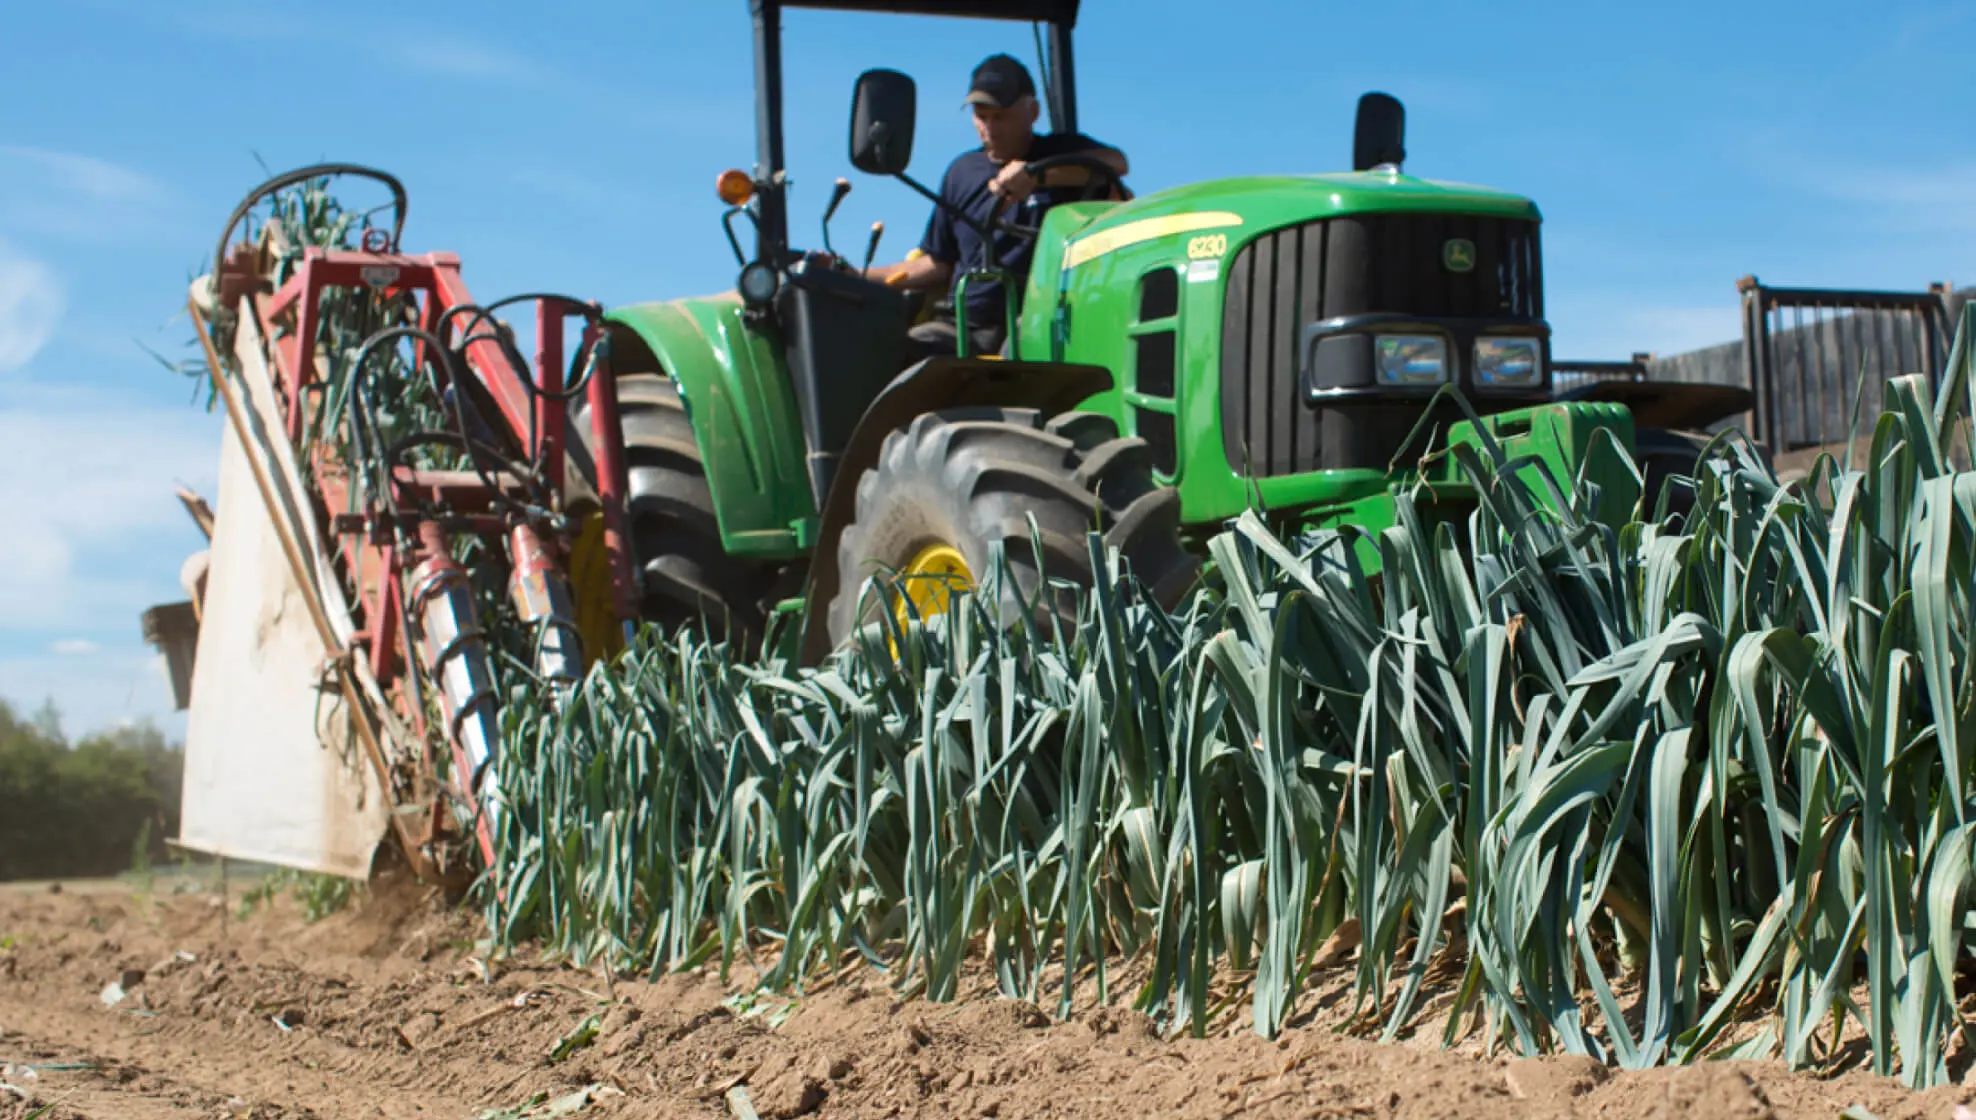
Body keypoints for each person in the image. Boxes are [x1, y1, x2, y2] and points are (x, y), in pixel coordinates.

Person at [865, 53, 1129, 360]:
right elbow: (938, 263)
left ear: (1032, 112)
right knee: (902, 354)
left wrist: (1036, 176)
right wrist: (853, 272)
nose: (989, 127)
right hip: (965, 324)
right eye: (981, 116)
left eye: (1000, 116)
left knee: (1022, 355)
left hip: (1036, 316)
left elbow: (1117, 163)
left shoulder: (1059, 152)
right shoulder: (960, 173)